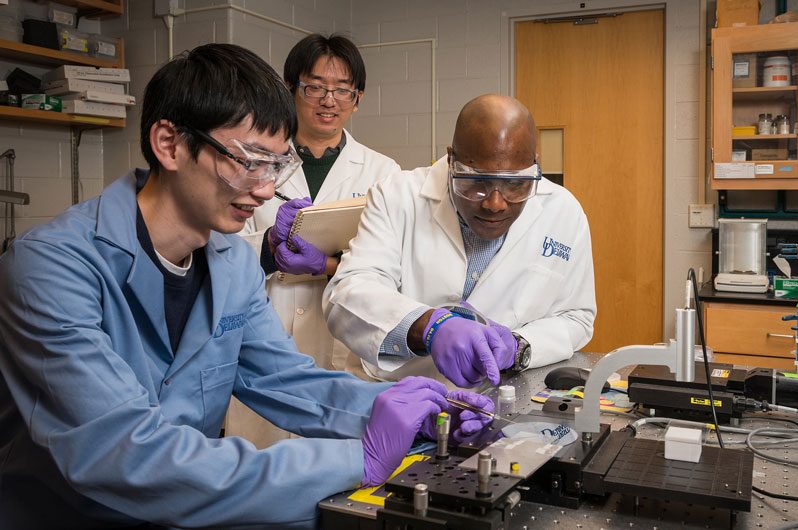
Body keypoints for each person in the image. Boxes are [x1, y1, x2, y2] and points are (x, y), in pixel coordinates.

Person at [0, 43, 491, 529]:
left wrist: (405, 411)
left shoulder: (230, 262)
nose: (263, 190)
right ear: (169, 144)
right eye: (250, 160)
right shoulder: (50, 268)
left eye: (276, 167)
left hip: (183, 510)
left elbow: (285, 381)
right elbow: (127, 454)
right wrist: (357, 459)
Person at [324, 94, 597, 388]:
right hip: (399, 391)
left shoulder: (564, 212)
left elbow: (576, 316)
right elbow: (349, 291)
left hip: (500, 395)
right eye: (476, 183)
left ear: (533, 165)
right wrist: (428, 326)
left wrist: (520, 346)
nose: (495, 204)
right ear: (452, 160)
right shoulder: (397, 195)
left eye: (515, 184)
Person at [231, 33, 400, 447]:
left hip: (340, 343)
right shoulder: (252, 160)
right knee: (258, 467)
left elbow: (397, 272)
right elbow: (218, 250)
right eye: (315, 87)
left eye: (343, 90)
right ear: (290, 90)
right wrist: (269, 247)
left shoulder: (386, 172)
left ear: (357, 99)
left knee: (335, 478)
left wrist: (326, 267)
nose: (329, 100)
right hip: (266, 331)